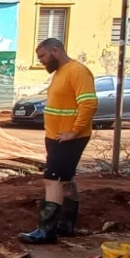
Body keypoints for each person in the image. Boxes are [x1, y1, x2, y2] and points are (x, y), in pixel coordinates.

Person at [20, 38, 98, 245]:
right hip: (57, 137)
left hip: (67, 139)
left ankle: (47, 231)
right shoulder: (60, 73)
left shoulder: (77, 71)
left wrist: (74, 132)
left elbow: (89, 104)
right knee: (65, 180)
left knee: (51, 179)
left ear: (55, 51)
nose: (42, 61)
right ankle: (65, 225)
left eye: (43, 56)